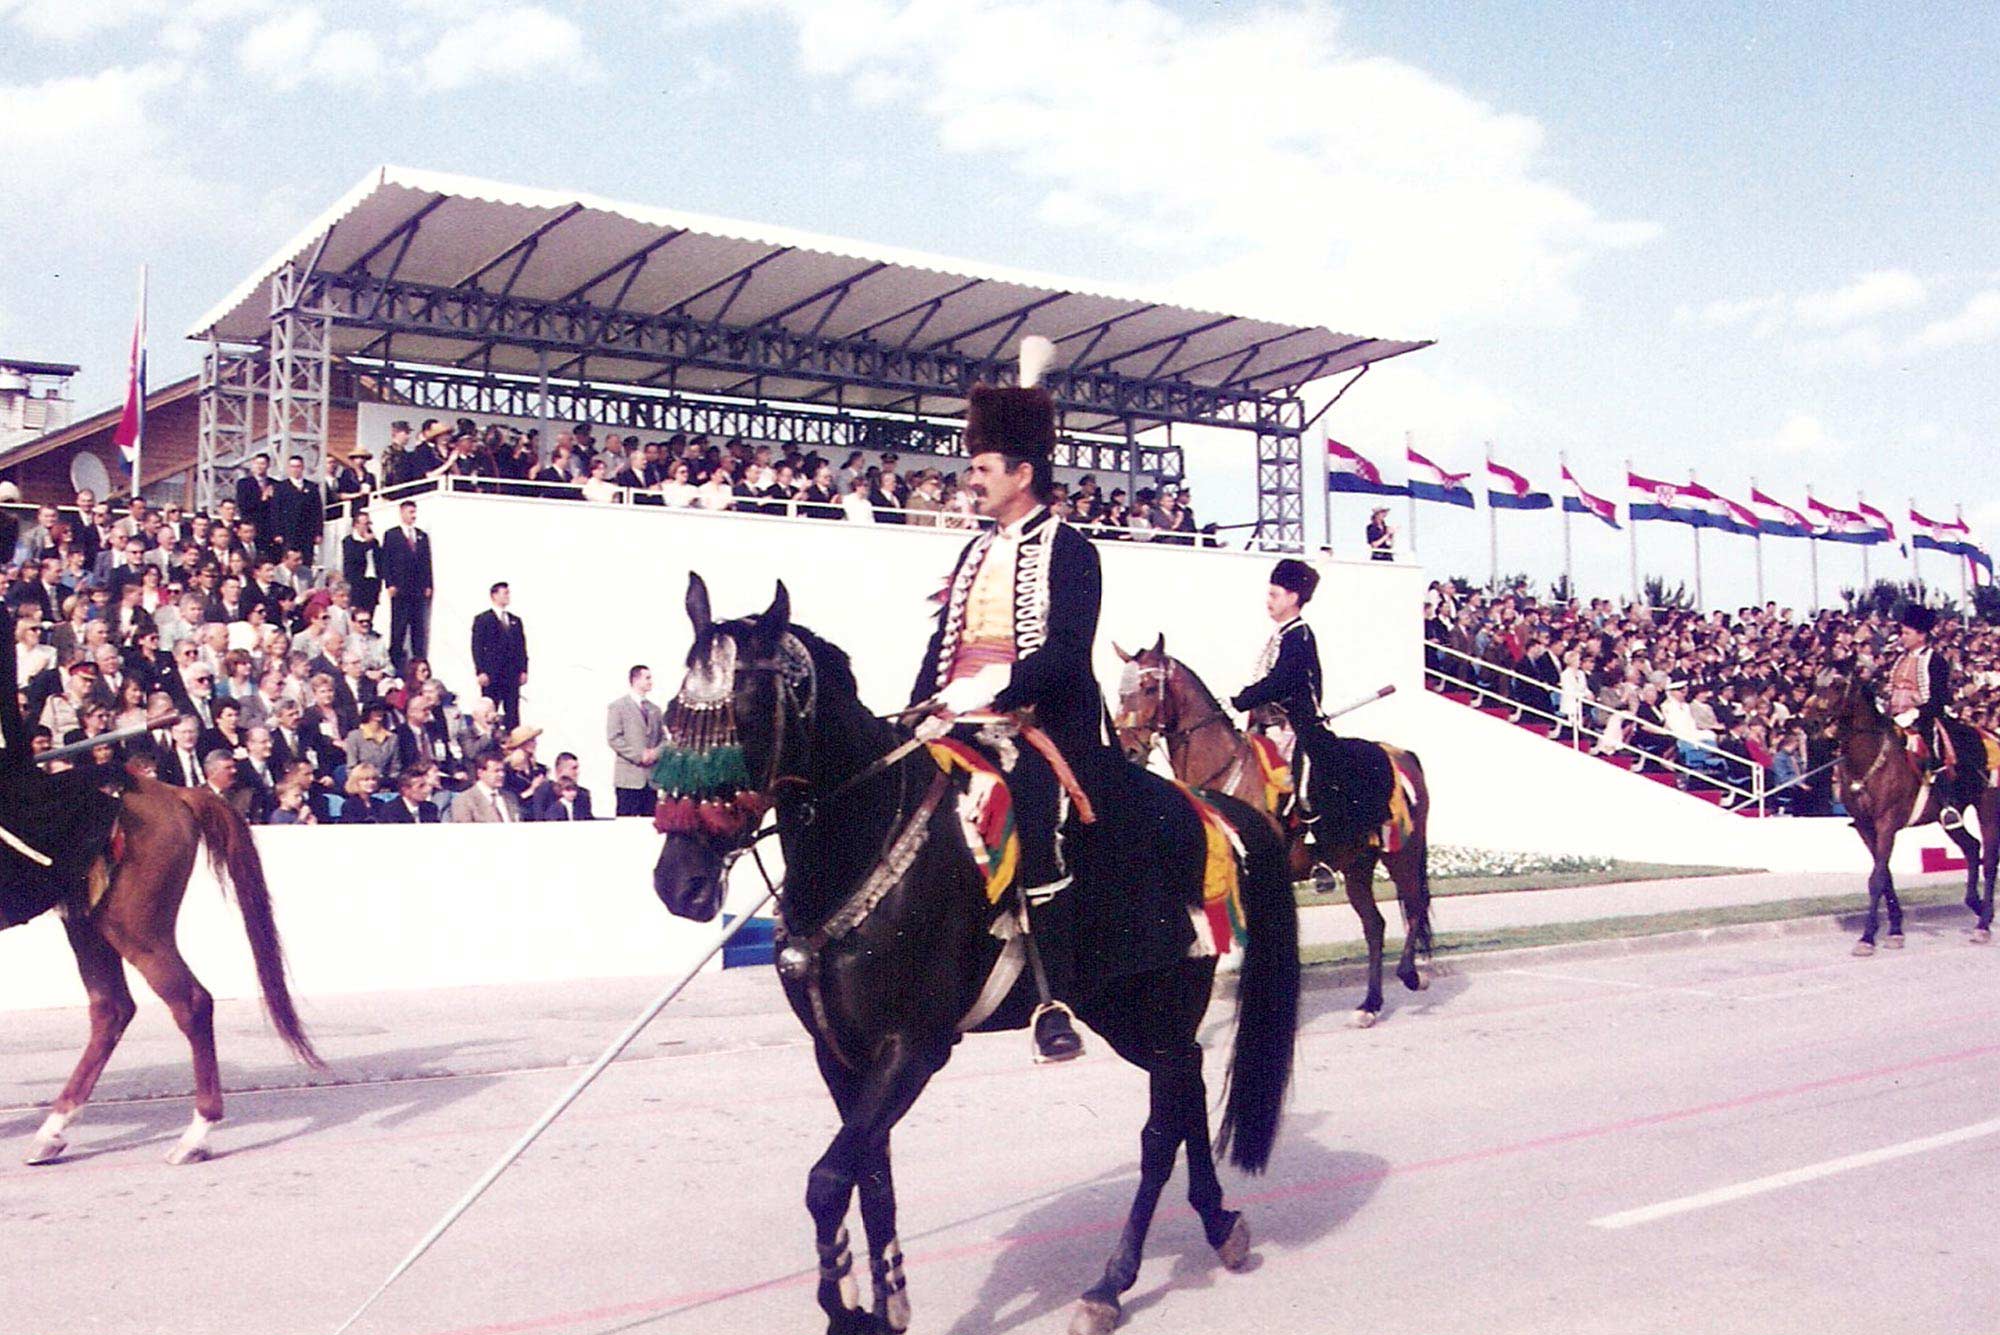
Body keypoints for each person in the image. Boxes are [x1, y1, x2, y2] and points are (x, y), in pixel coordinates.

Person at [910, 339, 1098, 1063]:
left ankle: (1050, 994)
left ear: (1023, 473)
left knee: (1031, 812)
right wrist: (921, 703)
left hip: (1036, 722)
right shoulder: (972, 550)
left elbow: (1067, 653)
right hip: (958, 716)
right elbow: (942, 639)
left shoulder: (1072, 548)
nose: (972, 481)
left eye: (983, 469)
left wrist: (997, 689)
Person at [1230, 558, 1393, 854]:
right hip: (1270, 725)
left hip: (1299, 725)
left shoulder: (1299, 635)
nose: (1268, 601)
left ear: (1292, 598)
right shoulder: (1280, 635)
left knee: (1305, 785)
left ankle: (1320, 847)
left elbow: (1280, 681)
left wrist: (1239, 700)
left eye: (1274, 595)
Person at [1887, 604, 1984, 830]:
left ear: (1921, 635)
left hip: (1925, 719)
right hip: (1896, 718)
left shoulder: (1935, 660)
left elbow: (1938, 698)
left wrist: (1914, 714)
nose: (1902, 637)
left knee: (1934, 750)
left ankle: (1947, 805)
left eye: (1906, 633)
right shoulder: (1900, 660)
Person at [380, 499, 434, 671]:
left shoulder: (421, 536)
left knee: (418, 630)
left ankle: (419, 665)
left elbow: (426, 561)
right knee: (399, 629)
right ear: (402, 513)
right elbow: (386, 560)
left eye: (414, 512)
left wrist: (428, 584)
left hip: (417, 590)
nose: (413, 516)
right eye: (410, 512)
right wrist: (389, 583)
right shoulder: (392, 534)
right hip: (400, 589)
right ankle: (395, 666)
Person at [470, 581, 529, 729]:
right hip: (492, 674)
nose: (507, 596)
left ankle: (514, 740)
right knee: (490, 709)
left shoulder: (515, 620)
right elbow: (477, 646)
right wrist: (480, 671)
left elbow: (521, 647)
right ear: (494, 595)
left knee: (512, 711)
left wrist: (523, 669)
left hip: (511, 673)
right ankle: (490, 741)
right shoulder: (483, 619)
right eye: (504, 593)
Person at [608, 664, 663, 817]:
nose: (651, 682)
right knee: (626, 821)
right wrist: (639, 756)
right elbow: (613, 737)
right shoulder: (618, 707)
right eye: (647, 678)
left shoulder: (655, 710)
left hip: (651, 779)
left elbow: (664, 738)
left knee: (650, 821)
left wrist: (654, 753)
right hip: (628, 778)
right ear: (635, 680)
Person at [449, 752, 524, 823]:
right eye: (496, 771)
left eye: (502, 771)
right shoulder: (464, 801)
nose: (502, 774)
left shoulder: (510, 797)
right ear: (480, 773)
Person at [342, 511, 382, 616]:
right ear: (356, 525)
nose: (367, 527)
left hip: (372, 582)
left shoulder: (374, 542)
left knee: (370, 613)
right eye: (365, 524)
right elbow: (354, 557)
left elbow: (379, 560)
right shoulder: (349, 541)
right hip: (357, 583)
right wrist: (366, 543)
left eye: (369, 523)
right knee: (356, 613)